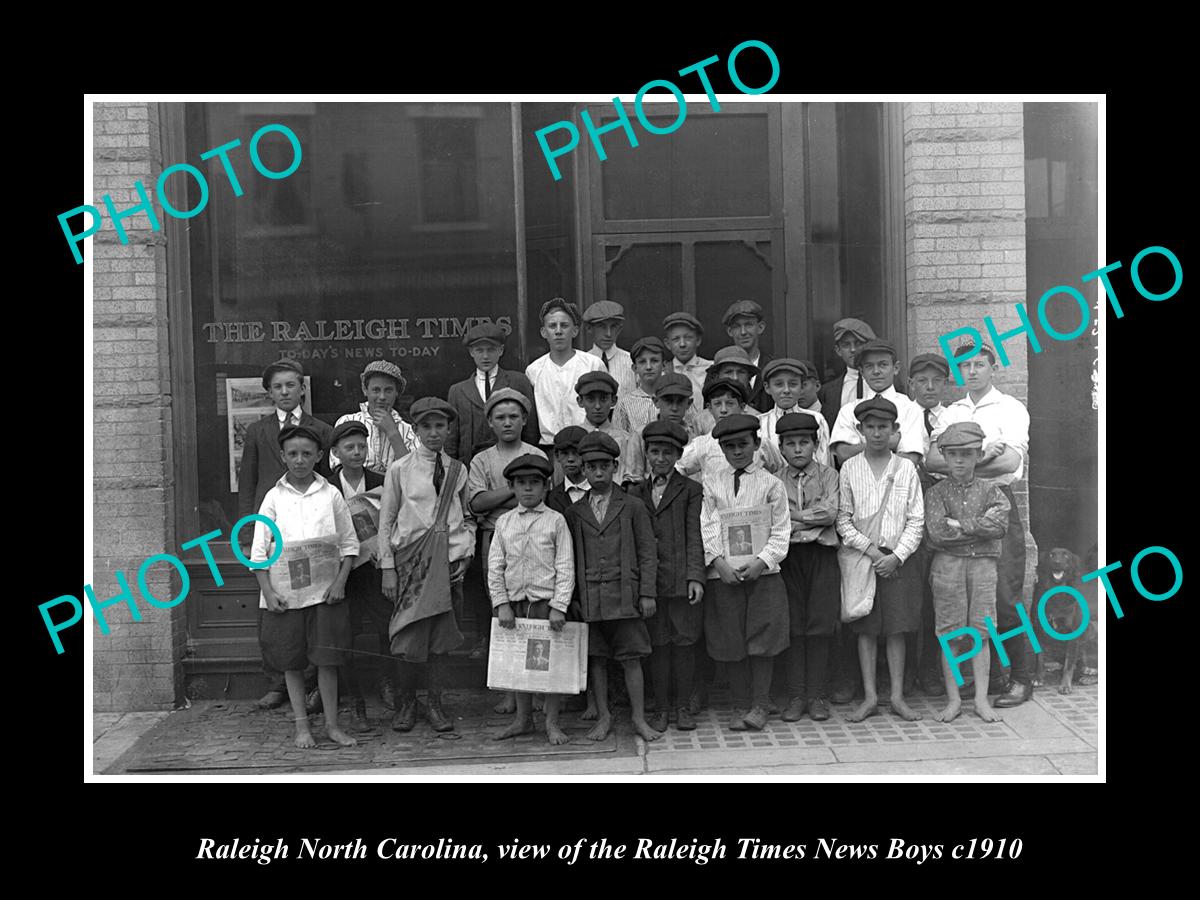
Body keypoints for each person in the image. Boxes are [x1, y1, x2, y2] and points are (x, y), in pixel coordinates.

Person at [927, 339, 1033, 709]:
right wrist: (981, 456)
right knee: (964, 600)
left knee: (1004, 597)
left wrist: (966, 464)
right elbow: (932, 461)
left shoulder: (1010, 408)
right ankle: (986, 680)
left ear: (993, 367)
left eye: (979, 364)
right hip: (953, 505)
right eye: (965, 366)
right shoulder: (950, 412)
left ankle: (1021, 677)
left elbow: (1009, 464)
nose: (972, 372)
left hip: (996, 506)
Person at [249, 424, 359, 749]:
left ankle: (332, 725)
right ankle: (301, 726)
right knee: (291, 661)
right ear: (283, 456)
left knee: (327, 660)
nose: (300, 460)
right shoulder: (273, 497)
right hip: (285, 593)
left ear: (320, 456)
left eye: (307, 454)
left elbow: (350, 544)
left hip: (325, 594)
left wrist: (340, 582)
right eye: (293, 454)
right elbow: (258, 552)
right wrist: (268, 592)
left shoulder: (331, 495)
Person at [238, 358, 333, 710]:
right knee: (274, 606)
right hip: (272, 530)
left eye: (290, 385)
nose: (284, 392)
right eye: (277, 387)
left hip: (309, 531)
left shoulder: (320, 429)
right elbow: (247, 483)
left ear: (302, 388)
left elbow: (329, 484)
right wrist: (248, 533)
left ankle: (310, 685)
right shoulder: (258, 431)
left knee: (309, 606)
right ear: (268, 393)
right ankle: (277, 682)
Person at [378, 398, 476, 734]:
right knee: (409, 636)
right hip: (412, 565)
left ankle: (435, 704)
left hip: (449, 566)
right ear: (416, 430)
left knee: (441, 640)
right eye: (426, 427)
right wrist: (388, 568)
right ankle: (407, 705)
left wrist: (466, 554)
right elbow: (386, 521)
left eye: (440, 426)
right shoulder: (400, 469)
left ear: (449, 430)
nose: (434, 433)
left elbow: (465, 518)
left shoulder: (458, 470)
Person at [564, 432, 661, 742]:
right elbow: (570, 559)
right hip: (591, 599)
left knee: (632, 657)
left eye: (604, 465)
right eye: (591, 466)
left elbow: (648, 552)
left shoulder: (632, 506)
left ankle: (638, 718)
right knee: (597, 659)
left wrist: (646, 592)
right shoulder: (575, 512)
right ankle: (604, 716)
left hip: (626, 597)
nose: (597, 472)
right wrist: (574, 598)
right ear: (583, 468)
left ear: (615, 466)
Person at [836, 397, 925, 723]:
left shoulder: (906, 469)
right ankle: (871, 696)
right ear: (860, 430)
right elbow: (843, 520)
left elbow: (916, 519)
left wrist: (897, 556)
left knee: (897, 629)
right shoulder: (849, 468)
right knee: (867, 629)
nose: (876, 433)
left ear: (895, 431)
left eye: (883, 428)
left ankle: (897, 695)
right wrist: (872, 551)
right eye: (870, 427)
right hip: (864, 559)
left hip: (899, 561)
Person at [700, 413, 791, 731]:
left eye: (742, 445)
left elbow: (781, 531)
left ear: (756, 444)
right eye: (729, 447)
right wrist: (718, 562)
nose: (736, 452)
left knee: (762, 639)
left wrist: (762, 561)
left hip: (762, 575)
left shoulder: (772, 484)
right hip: (725, 576)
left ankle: (759, 704)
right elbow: (707, 526)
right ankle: (739, 704)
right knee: (731, 639)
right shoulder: (713, 482)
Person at [924, 422, 1010, 724]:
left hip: (983, 566)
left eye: (967, 454)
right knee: (951, 634)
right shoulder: (935, 494)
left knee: (981, 632)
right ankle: (953, 700)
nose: (960, 460)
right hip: (947, 566)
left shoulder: (993, 491)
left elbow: (999, 527)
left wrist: (960, 524)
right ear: (945, 457)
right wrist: (978, 527)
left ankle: (981, 701)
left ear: (978, 455)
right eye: (954, 454)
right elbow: (937, 534)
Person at [488, 454, 575, 745]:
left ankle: (551, 722)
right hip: (514, 606)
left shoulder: (556, 521)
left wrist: (558, 606)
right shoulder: (504, 523)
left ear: (546, 486)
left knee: (546, 667)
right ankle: (523, 719)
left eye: (534, 483)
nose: (528, 489)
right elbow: (495, 565)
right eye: (521, 483)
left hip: (544, 606)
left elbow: (565, 566)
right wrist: (501, 604)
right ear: (511, 487)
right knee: (517, 668)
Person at [627, 421, 705, 732]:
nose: (660, 458)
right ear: (646, 454)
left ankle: (683, 707)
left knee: (684, 644)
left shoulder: (691, 490)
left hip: (680, 579)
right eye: (655, 452)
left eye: (667, 453)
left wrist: (695, 577)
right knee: (657, 645)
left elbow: (695, 536)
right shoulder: (636, 492)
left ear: (678, 455)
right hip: (650, 584)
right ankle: (660, 708)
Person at [467, 388, 547, 670]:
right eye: (500, 417)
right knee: (501, 609)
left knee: (534, 608)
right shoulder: (482, 460)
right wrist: (514, 489)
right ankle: (508, 688)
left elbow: (541, 498)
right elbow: (477, 503)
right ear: (490, 422)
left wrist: (498, 495)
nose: (507, 422)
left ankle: (535, 685)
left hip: (535, 536)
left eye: (514, 416)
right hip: (495, 539)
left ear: (524, 419)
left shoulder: (536, 454)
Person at [775, 412, 841, 723]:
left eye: (804, 442)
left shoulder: (830, 476)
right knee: (793, 626)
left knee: (819, 626)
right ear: (782, 447)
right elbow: (774, 518)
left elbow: (830, 512)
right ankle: (796, 695)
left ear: (815, 444)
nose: (798, 449)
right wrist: (805, 518)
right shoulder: (775, 480)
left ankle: (816, 695)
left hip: (821, 555)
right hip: (789, 558)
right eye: (791, 444)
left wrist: (794, 517)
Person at [327, 420, 394, 720]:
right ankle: (346, 691)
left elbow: (391, 520)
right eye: (349, 447)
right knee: (344, 629)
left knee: (385, 625)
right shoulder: (325, 486)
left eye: (361, 446)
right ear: (336, 452)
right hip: (341, 571)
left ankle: (388, 681)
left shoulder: (380, 479)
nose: (356, 452)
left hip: (375, 567)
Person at [907, 352, 952, 697]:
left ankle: (931, 668)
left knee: (939, 592)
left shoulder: (953, 418)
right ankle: (904, 672)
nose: (929, 386)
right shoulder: (901, 415)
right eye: (922, 380)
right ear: (911, 384)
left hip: (943, 503)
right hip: (906, 508)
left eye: (937, 380)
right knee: (908, 593)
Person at [446, 322, 540, 466]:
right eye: (479, 350)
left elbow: (531, 430)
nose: (485, 356)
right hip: (470, 466)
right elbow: (452, 439)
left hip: (514, 464)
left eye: (491, 350)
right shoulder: (458, 391)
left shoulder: (518, 381)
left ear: (501, 350)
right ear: (471, 352)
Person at [525, 298, 605, 453]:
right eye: (552, 326)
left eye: (564, 325)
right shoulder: (534, 370)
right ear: (543, 332)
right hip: (549, 448)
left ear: (574, 331)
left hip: (587, 445)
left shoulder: (592, 364)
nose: (558, 331)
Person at [829, 340, 925, 468]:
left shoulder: (910, 408)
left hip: (898, 484)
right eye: (869, 366)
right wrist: (889, 443)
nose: (876, 371)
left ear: (896, 368)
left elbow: (911, 459)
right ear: (862, 372)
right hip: (859, 484)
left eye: (883, 365)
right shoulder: (848, 411)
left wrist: (861, 448)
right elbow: (843, 455)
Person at [678, 378, 784, 485]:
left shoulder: (759, 441)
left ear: (742, 407)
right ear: (709, 408)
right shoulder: (702, 444)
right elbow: (678, 468)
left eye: (730, 403)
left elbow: (781, 470)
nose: (723, 410)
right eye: (717, 404)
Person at [335, 361, 416, 476]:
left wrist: (392, 432)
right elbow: (337, 466)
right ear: (365, 390)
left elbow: (413, 473)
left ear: (396, 393)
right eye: (376, 390)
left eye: (388, 390)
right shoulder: (347, 422)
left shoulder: (409, 431)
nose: (382, 397)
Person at [757, 358, 831, 467]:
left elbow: (824, 465)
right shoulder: (758, 424)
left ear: (801, 387)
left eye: (793, 384)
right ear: (767, 388)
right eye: (779, 384)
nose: (786, 390)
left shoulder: (817, 419)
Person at [575, 371, 638, 487]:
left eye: (603, 399)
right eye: (590, 399)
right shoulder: (574, 438)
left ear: (613, 400)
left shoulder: (626, 440)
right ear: (580, 401)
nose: (598, 406)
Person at [722, 299, 772, 413]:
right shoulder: (720, 369)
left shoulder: (771, 368)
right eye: (737, 326)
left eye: (748, 325)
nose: (743, 332)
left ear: (760, 327)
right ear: (730, 331)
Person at [613, 337, 669, 436]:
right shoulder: (624, 404)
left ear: (664, 365)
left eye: (654, 361)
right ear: (635, 368)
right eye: (642, 362)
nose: (648, 367)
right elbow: (619, 439)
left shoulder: (676, 397)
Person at [583, 300, 637, 400]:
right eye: (601, 327)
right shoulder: (581, 363)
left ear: (620, 329)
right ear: (589, 328)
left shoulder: (631, 362)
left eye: (613, 327)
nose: (608, 333)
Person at [663, 312, 712, 416]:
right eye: (676, 339)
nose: (682, 344)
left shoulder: (711, 369)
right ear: (668, 344)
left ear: (698, 340)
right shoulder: (663, 372)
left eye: (688, 338)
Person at [546, 425, 590, 514]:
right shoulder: (552, 498)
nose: (570, 459)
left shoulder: (602, 491)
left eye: (576, 453)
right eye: (565, 453)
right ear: (557, 456)